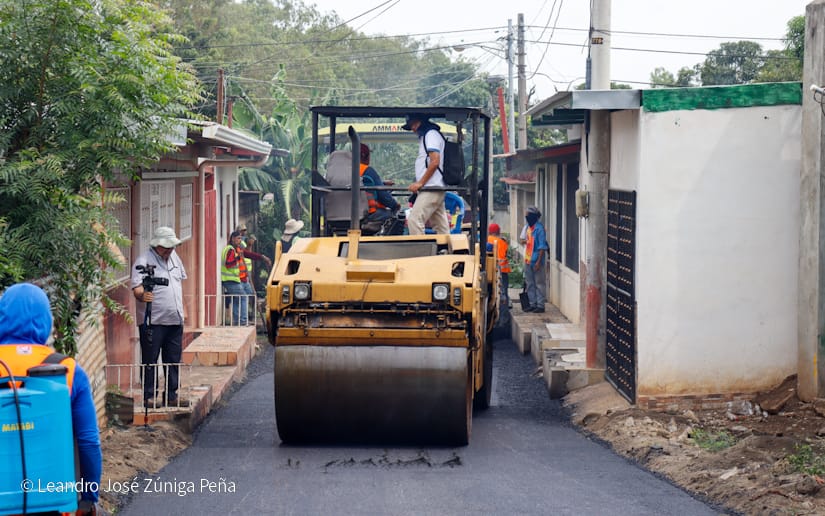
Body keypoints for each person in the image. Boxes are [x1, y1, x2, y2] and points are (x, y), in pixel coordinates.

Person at [0, 283, 102, 514]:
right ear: (45, 319)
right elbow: (88, 441)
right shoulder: (67, 370)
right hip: (53, 503)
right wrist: (88, 498)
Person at [132, 226, 189, 408]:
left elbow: (179, 285)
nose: (170, 250)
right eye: (166, 247)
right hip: (153, 321)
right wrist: (142, 295)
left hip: (175, 319)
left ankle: (171, 395)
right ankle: (150, 396)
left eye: (172, 246)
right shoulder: (143, 260)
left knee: (173, 359)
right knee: (150, 360)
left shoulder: (175, 258)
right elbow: (136, 287)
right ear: (156, 245)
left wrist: (184, 309)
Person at [402, 114, 450, 235]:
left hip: (431, 187)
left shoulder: (431, 134)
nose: (413, 129)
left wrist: (420, 183)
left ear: (421, 122)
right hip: (433, 187)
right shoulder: (427, 136)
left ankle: (419, 252)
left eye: (414, 124)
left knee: (414, 220)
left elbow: (434, 162)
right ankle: (448, 251)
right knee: (441, 228)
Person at [359, 143, 401, 226]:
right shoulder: (367, 170)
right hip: (366, 214)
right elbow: (383, 196)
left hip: (340, 214)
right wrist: (394, 205)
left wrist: (382, 183)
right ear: (365, 156)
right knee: (397, 218)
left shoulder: (340, 172)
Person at [523, 206, 549, 313]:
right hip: (528, 260)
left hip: (536, 261)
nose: (526, 217)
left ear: (533, 217)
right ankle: (532, 304)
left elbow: (542, 247)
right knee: (530, 283)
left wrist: (538, 261)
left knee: (539, 283)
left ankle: (540, 305)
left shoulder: (539, 229)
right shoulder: (529, 228)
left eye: (528, 215)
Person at [487, 223, 511, 306]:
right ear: (498, 231)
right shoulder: (502, 242)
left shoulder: (486, 240)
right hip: (503, 271)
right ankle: (504, 315)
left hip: (490, 271)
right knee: (503, 294)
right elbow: (504, 254)